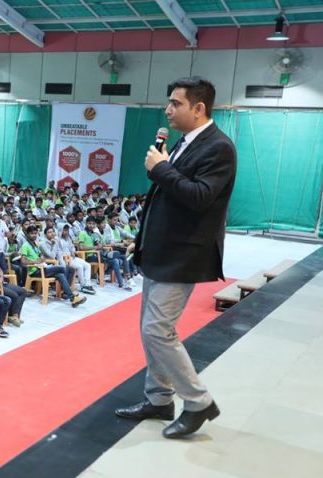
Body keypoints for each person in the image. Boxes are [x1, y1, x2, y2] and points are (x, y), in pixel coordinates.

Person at [116, 76, 235, 439]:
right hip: (160, 249)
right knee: (149, 330)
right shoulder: (184, 141)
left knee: (157, 330)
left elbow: (199, 197)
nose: (167, 110)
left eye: (175, 103)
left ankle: (198, 402)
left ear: (198, 108)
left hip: (183, 253)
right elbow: (165, 198)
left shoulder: (219, 148)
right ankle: (159, 399)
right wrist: (141, 240)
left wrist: (161, 168)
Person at [20, 226, 86, 307]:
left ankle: (71, 298)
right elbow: (23, 262)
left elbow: (41, 255)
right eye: (31, 234)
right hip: (35, 271)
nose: (34, 235)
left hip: (43, 267)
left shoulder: (35, 245)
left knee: (61, 274)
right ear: (27, 234)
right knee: (63, 268)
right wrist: (35, 262)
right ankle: (65, 291)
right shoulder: (25, 245)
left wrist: (41, 258)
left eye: (35, 233)